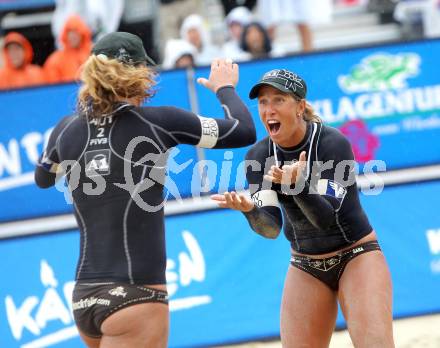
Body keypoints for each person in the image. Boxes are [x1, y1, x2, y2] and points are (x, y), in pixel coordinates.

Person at [34, 32, 256, 348]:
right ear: (139, 74)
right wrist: (225, 89)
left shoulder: (65, 129)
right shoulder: (159, 122)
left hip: (85, 297)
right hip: (136, 295)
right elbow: (243, 130)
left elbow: (42, 179)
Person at [212, 69, 395, 347]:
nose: (268, 110)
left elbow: (326, 219)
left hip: (356, 255)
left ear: (299, 107)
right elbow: (271, 228)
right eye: (262, 102)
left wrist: (297, 185)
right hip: (305, 264)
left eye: (278, 100)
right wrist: (250, 210)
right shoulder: (258, 157)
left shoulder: (331, 144)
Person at [44, 15, 92, 83]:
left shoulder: (93, 54)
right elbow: (53, 88)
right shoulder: (55, 60)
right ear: (65, 35)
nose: (73, 36)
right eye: (70, 32)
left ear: (82, 33)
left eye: (76, 32)